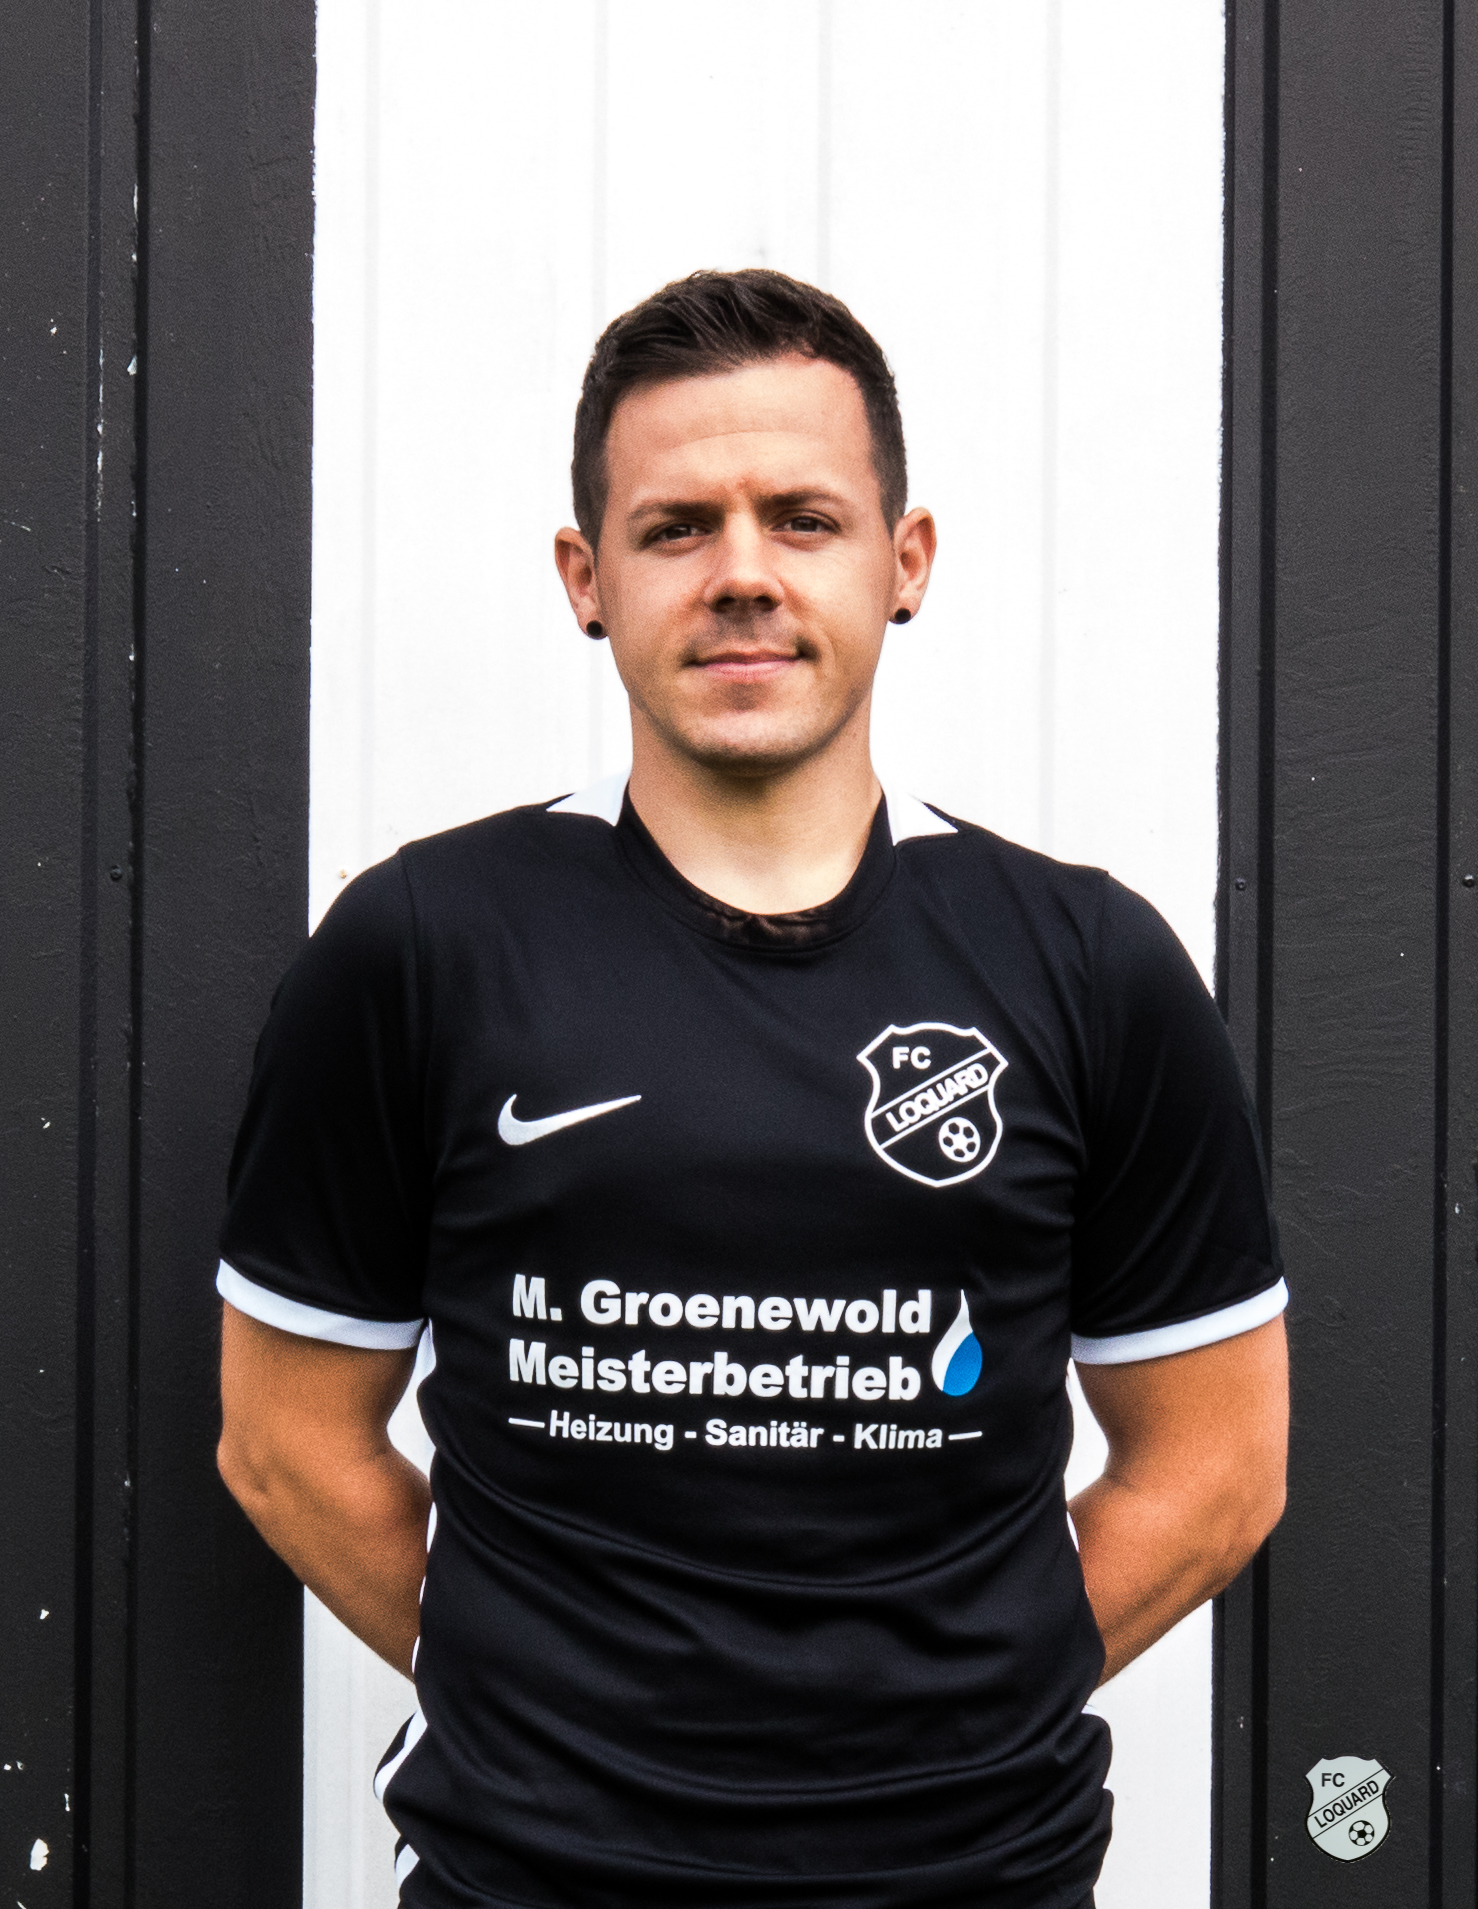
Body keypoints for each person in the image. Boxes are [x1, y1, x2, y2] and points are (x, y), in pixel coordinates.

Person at [216, 269, 1288, 1909]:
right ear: (585, 577)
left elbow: (1215, 1466)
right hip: (535, 1878)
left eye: (801, 519)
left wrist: (966, 1705)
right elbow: (285, 1439)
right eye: (674, 527)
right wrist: (535, 1700)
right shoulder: (422, 943)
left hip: (974, 1875)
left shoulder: (1086, 962)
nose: (740, 573)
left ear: (902, 560)